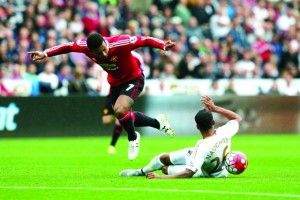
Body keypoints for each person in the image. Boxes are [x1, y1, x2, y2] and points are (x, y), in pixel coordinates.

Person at [28, 33, 176, 160]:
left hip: (134, 79)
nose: (104, 54)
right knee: (124, 115)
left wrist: (162, 45)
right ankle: (158, 123)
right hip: (115, 83)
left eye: (104, 50)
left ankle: (133, 137)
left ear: (105, 43)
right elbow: (67, 46)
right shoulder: (83, 46)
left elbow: (144, 40)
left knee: (119, 111)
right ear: (90, 50)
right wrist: (46, 53)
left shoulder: (120, 42)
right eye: (99, 53)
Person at [120, 95, 242, 178]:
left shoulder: (202, 145)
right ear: (213, 123)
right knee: (164, 158)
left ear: (197, 127)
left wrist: (160, 178)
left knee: (165, 169)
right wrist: (215, 108)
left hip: (204, 171)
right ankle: (139, 172)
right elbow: (237, 118)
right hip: (209, 161)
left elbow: (189, 173)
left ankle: (139, 172)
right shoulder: (225, 131)